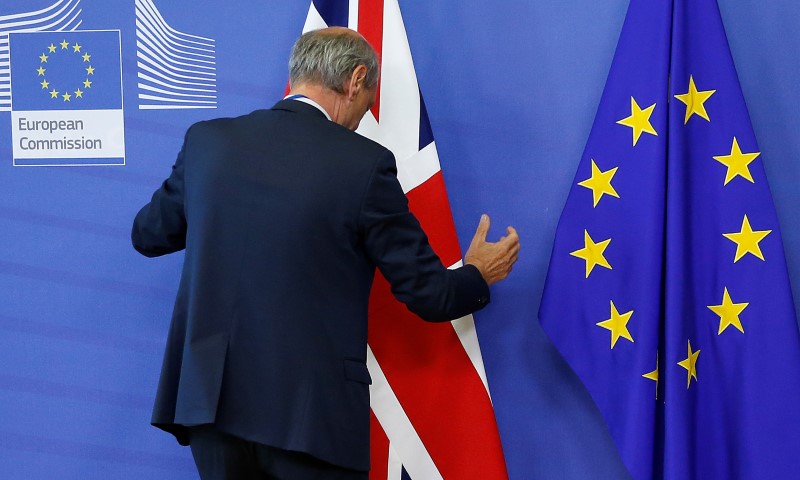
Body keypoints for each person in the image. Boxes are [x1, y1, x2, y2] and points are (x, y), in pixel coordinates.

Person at [131, 27, 520, 480]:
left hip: (211, 406)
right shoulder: (362, 164)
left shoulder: (208, 143)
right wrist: (477, 273)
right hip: (309, 415)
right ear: (356, 80)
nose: (361, 117)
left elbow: (148, 234)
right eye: (367, 100)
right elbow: (429, 295)